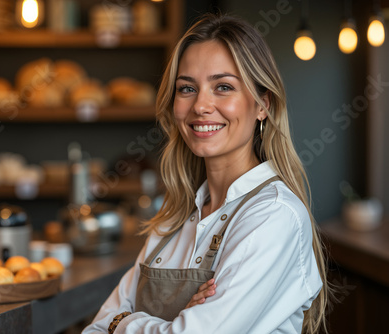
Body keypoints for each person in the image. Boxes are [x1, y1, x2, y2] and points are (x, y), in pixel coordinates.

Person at [82, 13, 328, 334]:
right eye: (187, 89)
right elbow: (95, 328)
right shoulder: (173, 219)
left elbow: (110, 322)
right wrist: (164, 324)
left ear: (262, 105)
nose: (200, 105)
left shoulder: (273, 215)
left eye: (223, 87)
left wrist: (122, 322)